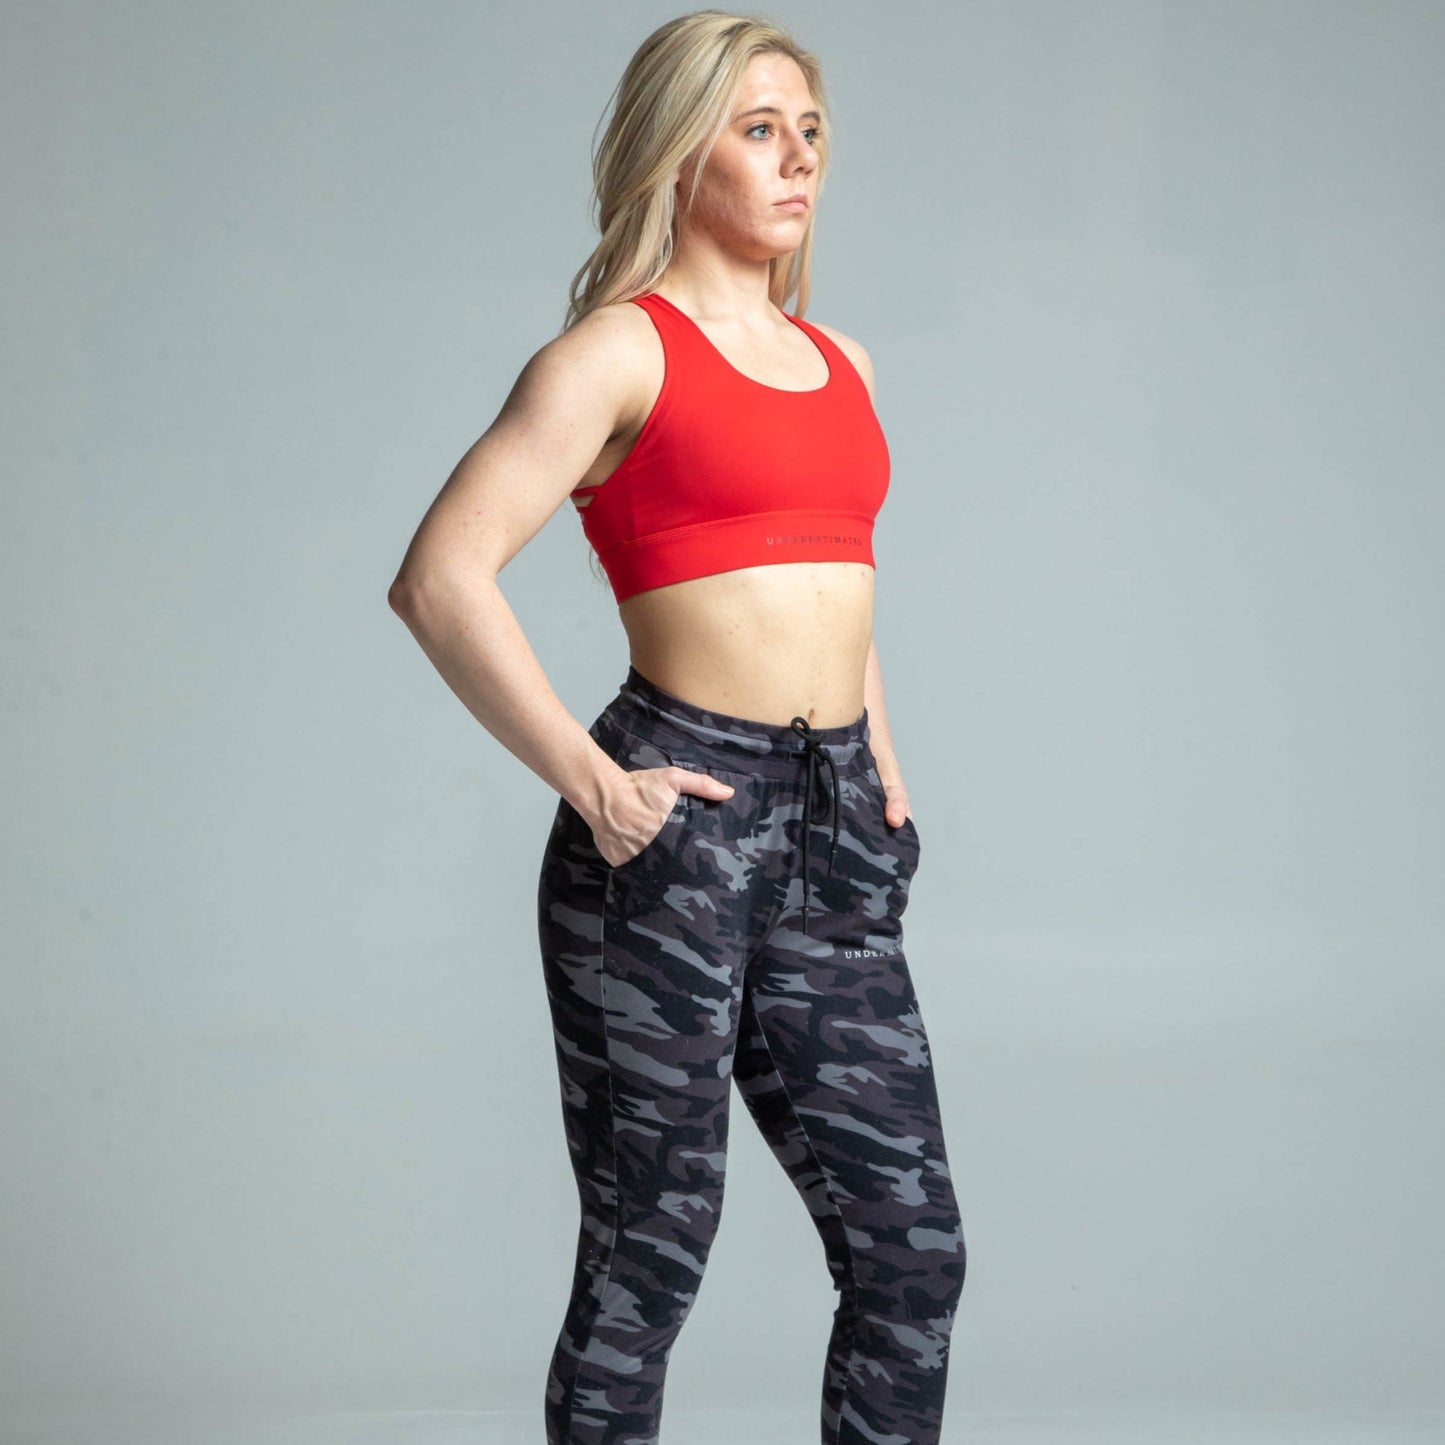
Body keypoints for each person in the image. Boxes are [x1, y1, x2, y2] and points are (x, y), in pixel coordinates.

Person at [387, 11, 966, 1443]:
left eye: (810, 132)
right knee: (652, 1247)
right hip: (675, 832)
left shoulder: (846, 362)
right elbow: (438, 575)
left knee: (911, 1253)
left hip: (832, 836)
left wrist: (883, 770)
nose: (796, 162)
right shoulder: (614, 355)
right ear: (679, 148)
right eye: (759, 129)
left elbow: (842, 592)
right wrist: (593, 782)